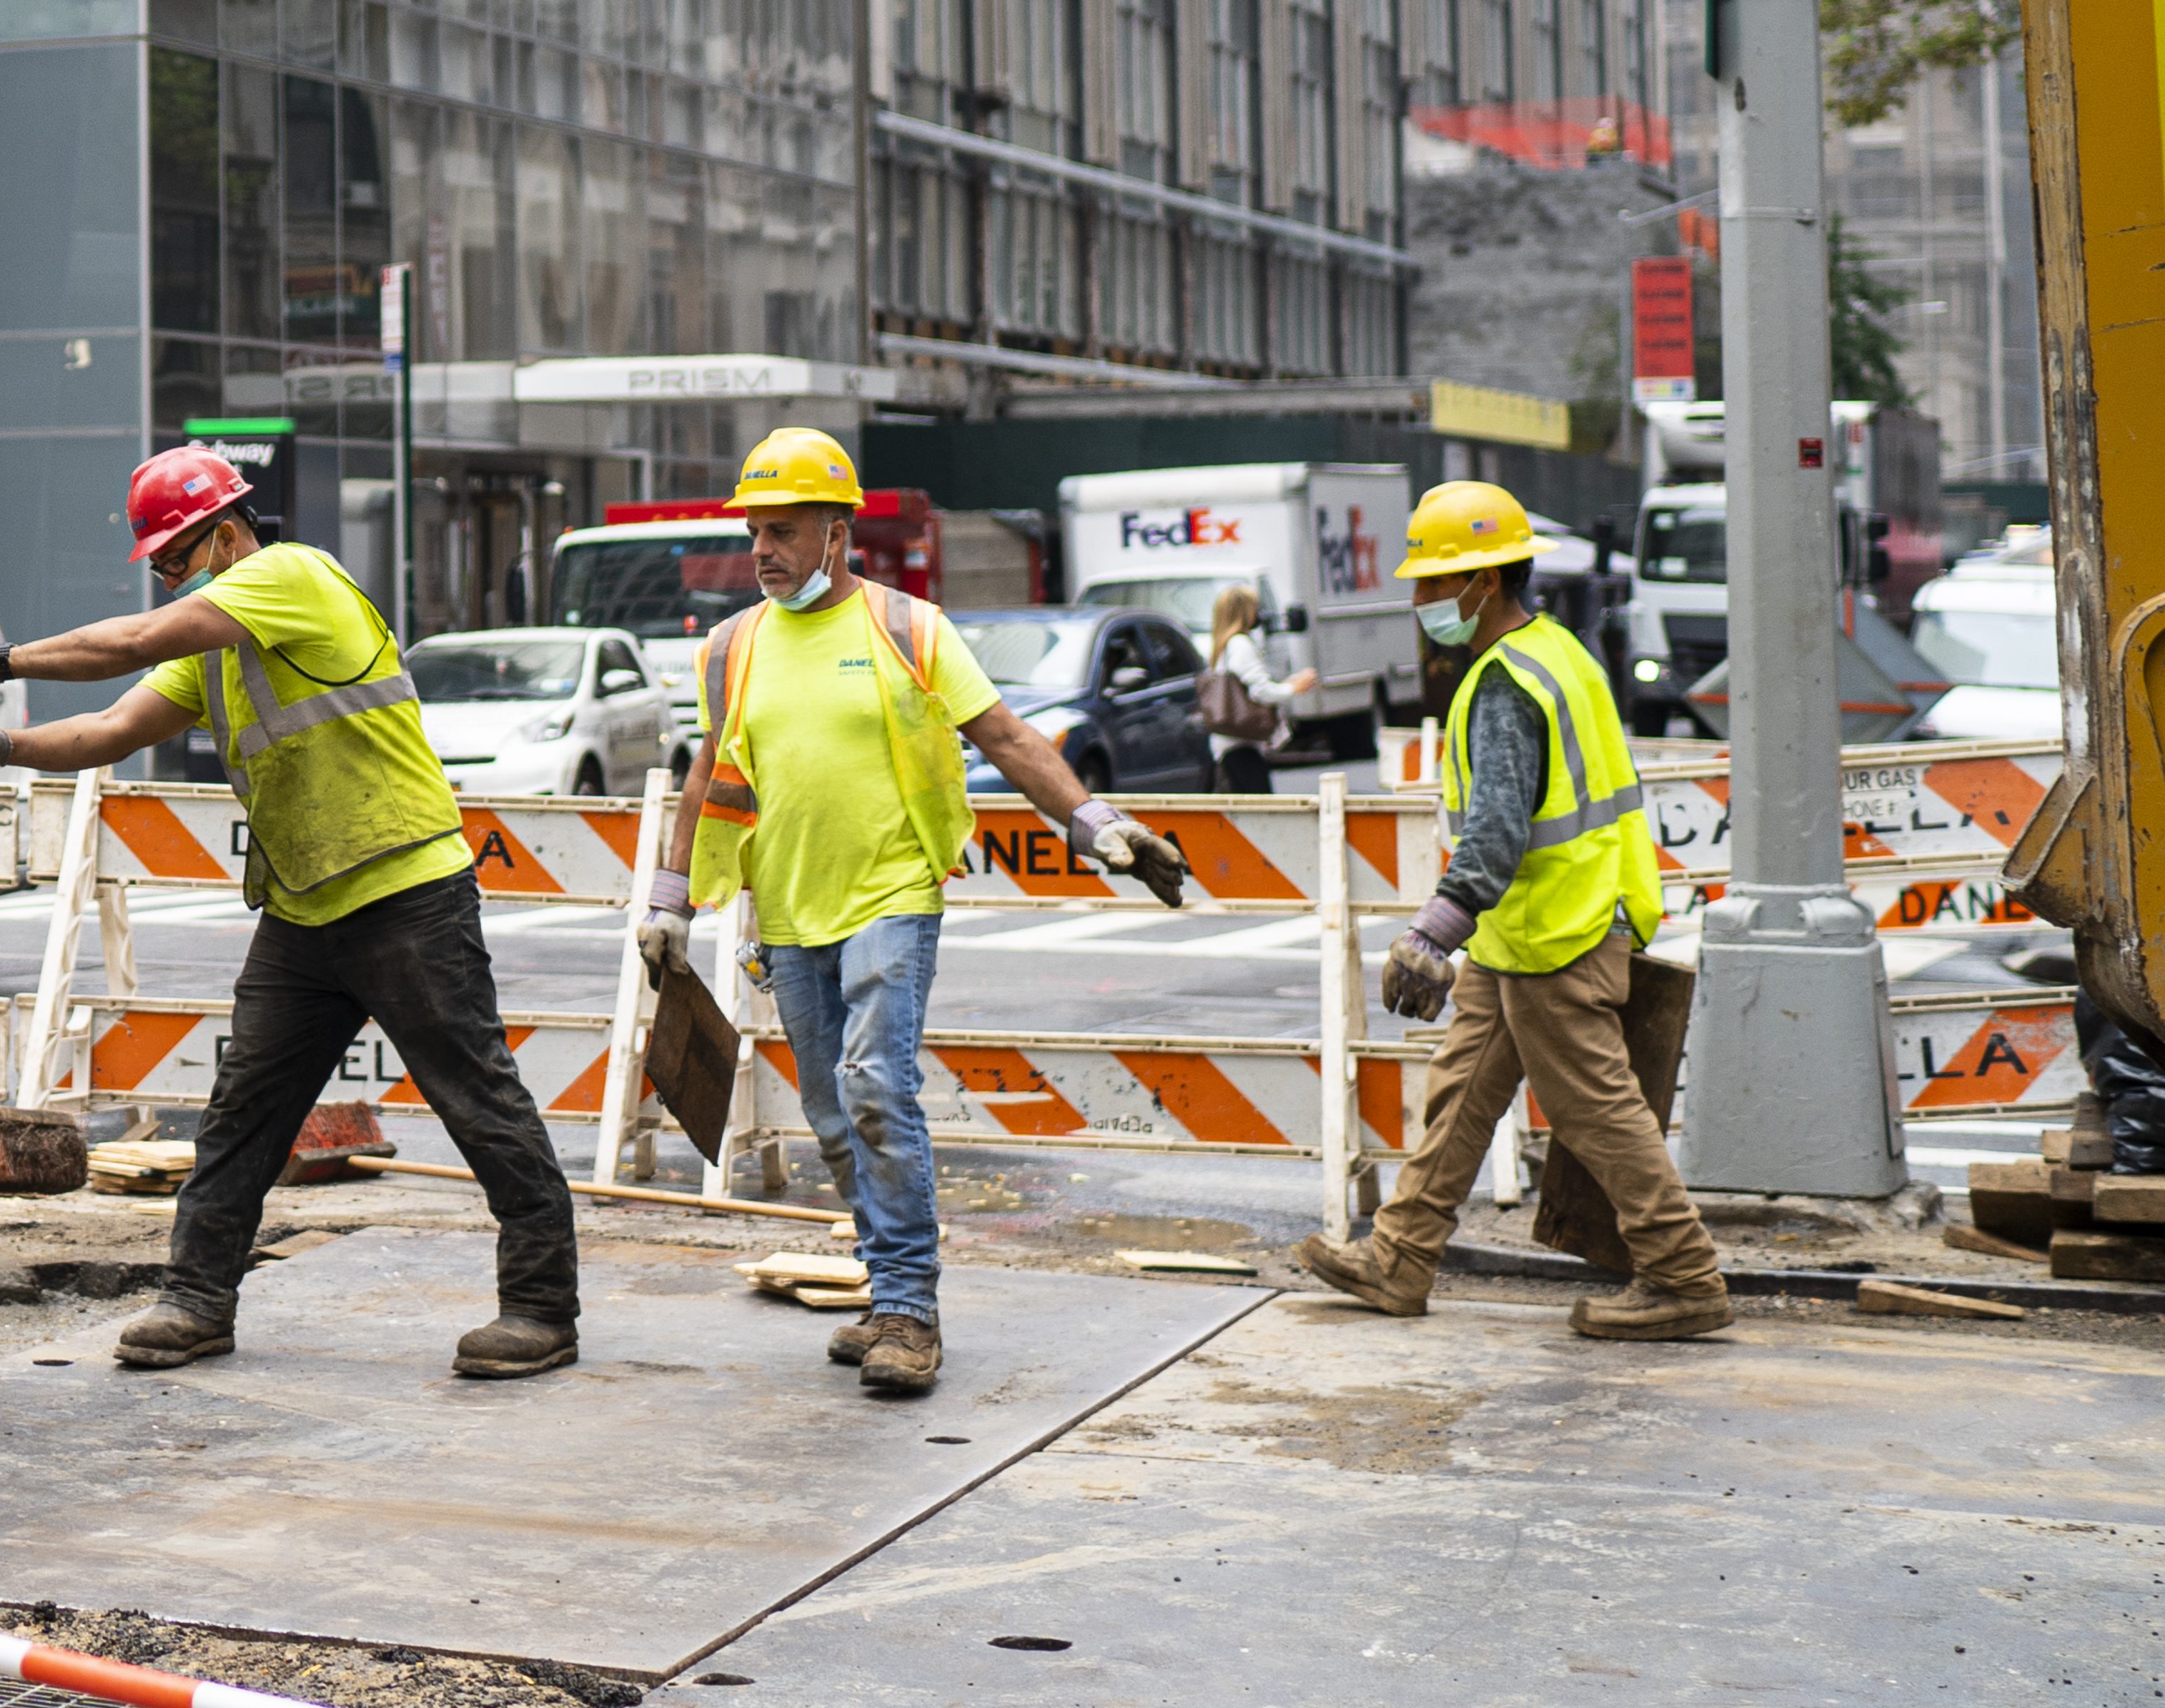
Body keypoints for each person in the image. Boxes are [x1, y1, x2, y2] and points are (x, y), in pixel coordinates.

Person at [0, 445, 583, 1382]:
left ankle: (540, 1307)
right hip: (306, 911)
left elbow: (131, 643)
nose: (166, 582)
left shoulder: (289, 575)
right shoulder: (217, 651)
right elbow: (111, 730)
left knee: (477, 1099)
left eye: (171, 560)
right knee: (242, 1112)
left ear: (226, 535)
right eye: (158, 567)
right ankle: (197, 1299)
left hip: (404, 892)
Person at [641, 427, 1177, 1400]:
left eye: (785, 530)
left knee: (875, 1084)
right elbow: (705, 777)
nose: (761, 550)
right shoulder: (731, 648)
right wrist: (669, 904)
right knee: (833, 1114)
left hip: (893, 893)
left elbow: (1008, 736)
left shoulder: (909, 629)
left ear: (838, 531)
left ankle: (910, 1312)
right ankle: (885, 1286)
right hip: (789, 914)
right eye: (755, 531)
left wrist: (1100, 824)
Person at [1292, 482, 1725, 1340]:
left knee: (1596, 1109)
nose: (1419, 602)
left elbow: (1496, 830)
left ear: (1482, 583)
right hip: (1537, 928)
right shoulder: (1557, 649)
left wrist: (1430, 934)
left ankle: (1683, 1275)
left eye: (1429, 585)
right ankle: (1401, 1257)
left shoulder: (1502, 685)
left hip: (1555, 935)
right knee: (1460, 1093)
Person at [1198, 581, 1301, 794]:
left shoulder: (1222, 645)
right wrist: (1293, 688)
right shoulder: (1240, 644)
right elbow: (1260, 690)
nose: (1259, 614)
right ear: (1245, 612)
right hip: (1242, 746)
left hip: (1226, 745)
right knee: (1262, 812)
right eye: (1255, 607)